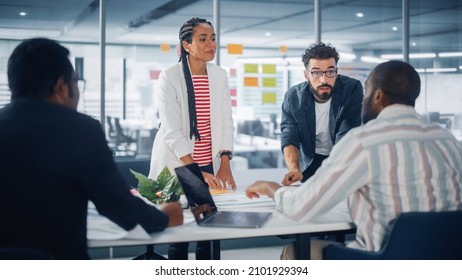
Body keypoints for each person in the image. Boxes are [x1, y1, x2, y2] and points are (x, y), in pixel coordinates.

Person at [246, 60, 462, 259]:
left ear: (377, 96)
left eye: (366, 91)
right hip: (446, 258)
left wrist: (271, 188)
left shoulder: (365, 141)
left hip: (384, 261)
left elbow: (301, 208)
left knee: (295, 251)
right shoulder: (448, 140)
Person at [0, 38, 183, 260]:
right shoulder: (80, 129)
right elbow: (118, 207)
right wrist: (165, 216)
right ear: (61, 85)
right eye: (76, 83)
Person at [148, 17, 235, 260]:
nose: (211, 44)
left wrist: (225, 162)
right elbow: (172, 129)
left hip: (208, 163)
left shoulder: (219, 75)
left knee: (209, 231)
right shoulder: (170, 76)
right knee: (180, 234)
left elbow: (227, 120)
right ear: (186, 45)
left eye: (214, 38)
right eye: (203, 39)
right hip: (180, 164)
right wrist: (194, 171)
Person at [280, 42, 363, 186]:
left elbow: (346, 134)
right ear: (306, 75)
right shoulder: (293, 98)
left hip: (342, 156)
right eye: (316, 73)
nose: (324, 80)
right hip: (311, 160)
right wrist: (294, 169)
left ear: (337, 72)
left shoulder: (351, 89)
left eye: (330, 72)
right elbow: (289, 136)